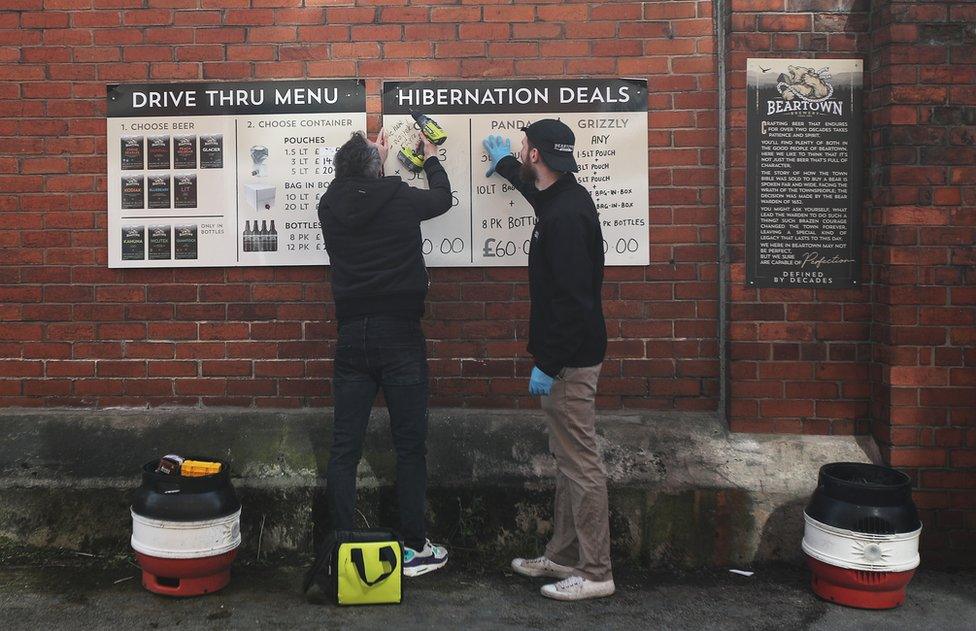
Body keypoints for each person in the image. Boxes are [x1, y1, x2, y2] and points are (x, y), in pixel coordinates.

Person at [483, 120, 613, 601]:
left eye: (521, 147)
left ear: (535, 153)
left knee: (581, 464)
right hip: (566, 356)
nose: (519, 150)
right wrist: (502, 166)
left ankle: (597, 573)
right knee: (567, 458)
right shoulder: (561, 197)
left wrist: (550, 362)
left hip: (570, 361)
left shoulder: (565, 216)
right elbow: (536, 193)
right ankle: (562, 555)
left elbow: (575, 303)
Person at [318, 129, 451, 577]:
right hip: (400, 335)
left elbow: (357, 189)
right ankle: (413, 547)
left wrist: (374, 156)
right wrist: (429, 158)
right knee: (410, 447)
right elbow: (442, 198)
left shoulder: (329, 205)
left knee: (344, 448)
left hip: (351, 336)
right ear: (378, 170)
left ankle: (339, 549)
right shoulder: (398, 198)